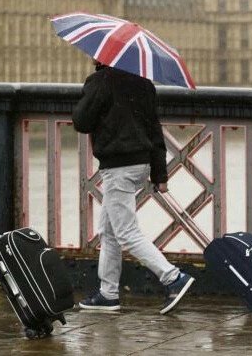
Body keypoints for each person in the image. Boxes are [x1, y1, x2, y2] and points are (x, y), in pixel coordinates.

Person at [72, 61, 195, 315]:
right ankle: (108, 293)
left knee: (126, 232)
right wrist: (160, 174)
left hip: (118, 166)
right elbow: (154, 130)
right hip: (141, 163)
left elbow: (81, 121)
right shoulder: (144, 84)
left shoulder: (101, 81)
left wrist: (93, 88)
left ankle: (173, 277)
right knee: (109, 231)